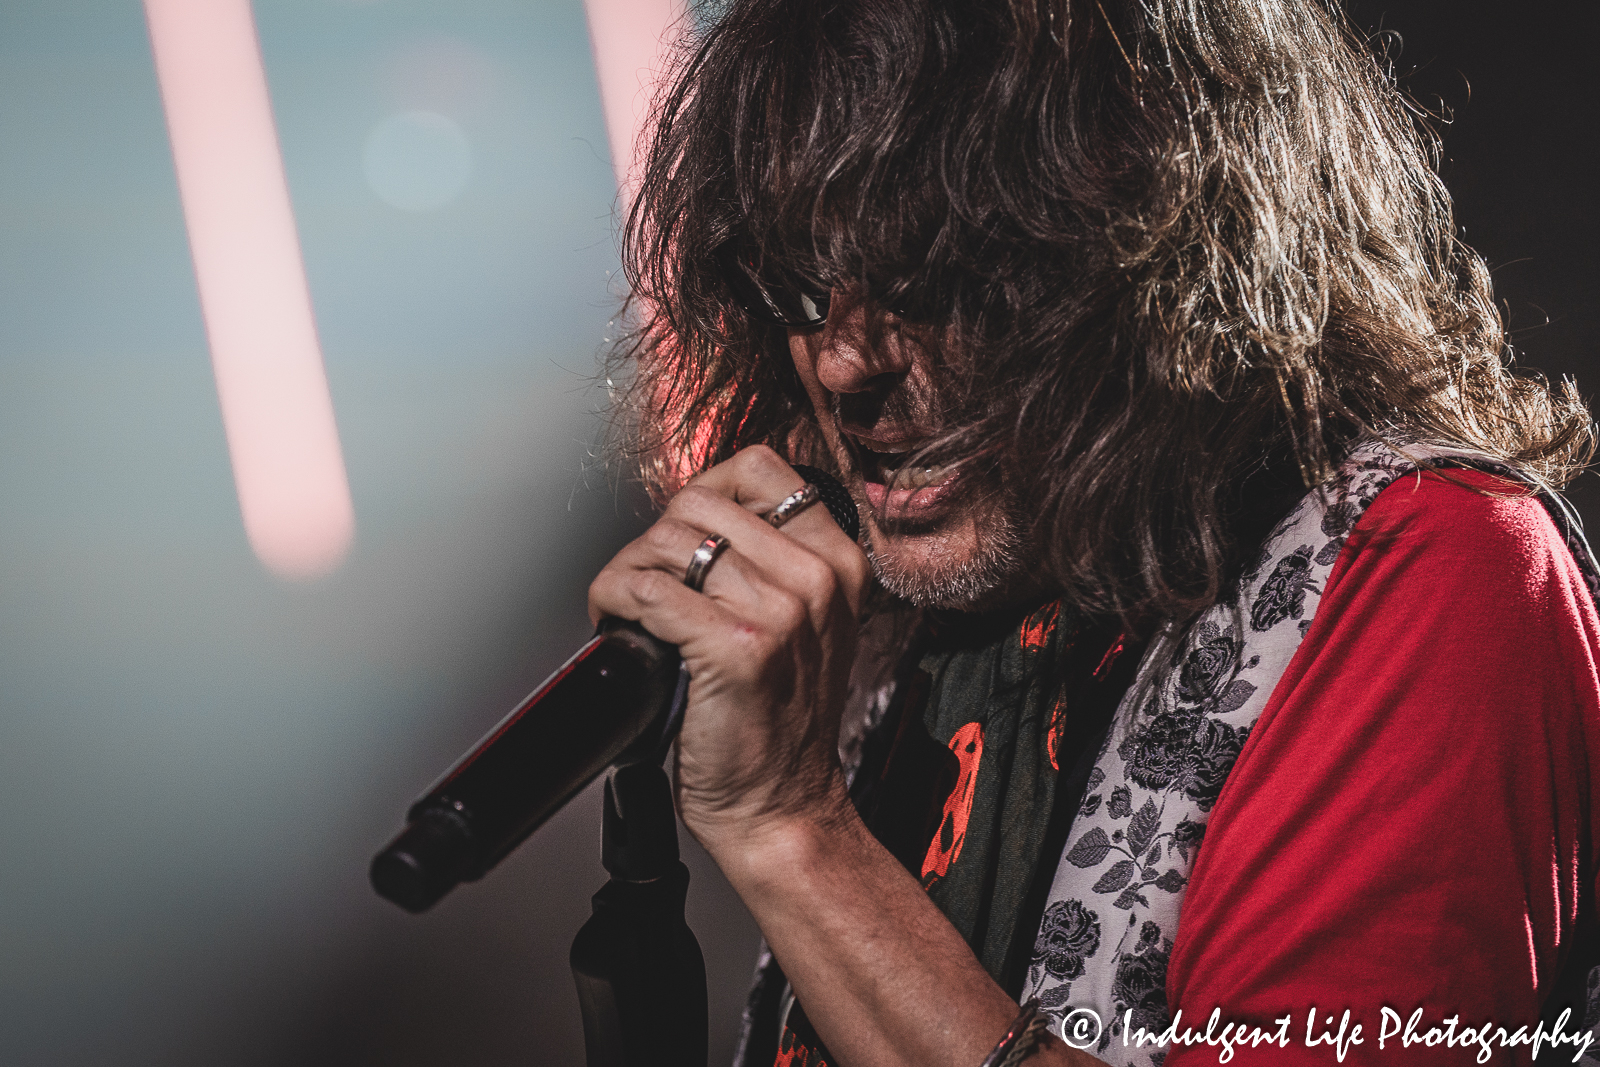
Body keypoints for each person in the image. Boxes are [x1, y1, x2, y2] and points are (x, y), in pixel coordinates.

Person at [585, 1, 1600, 1064]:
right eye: (796, 283)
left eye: (932, 266)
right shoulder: (924, 628)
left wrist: (794, 831)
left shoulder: (1433, 565)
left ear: (1159, 229)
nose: (846, 362)